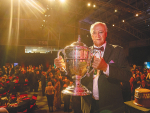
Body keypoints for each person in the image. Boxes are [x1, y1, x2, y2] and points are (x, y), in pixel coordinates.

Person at [54, 22, 132, 113]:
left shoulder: (117, 50)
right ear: (91, 35)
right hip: (88, 105)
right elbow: (76, 77)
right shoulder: (84, 51)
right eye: (94, 32)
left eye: (101, 32)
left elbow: (127, 75)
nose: (97, 35)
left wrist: (106, 67)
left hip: (111, 105)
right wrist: (64, 67)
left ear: (106, 34)